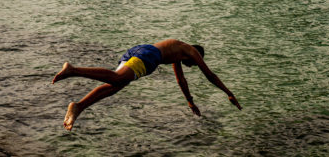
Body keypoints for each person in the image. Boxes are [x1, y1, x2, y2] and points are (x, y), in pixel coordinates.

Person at [52, 38, 242, 131]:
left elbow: (180, 80)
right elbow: (210, 74)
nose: (192, 65)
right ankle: (73, 70)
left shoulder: (177, 50)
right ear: (197, 54)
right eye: (194, 62)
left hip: (140, 50)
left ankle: (79, 106)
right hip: (150, 57)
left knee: (116, 85)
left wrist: (190, 102)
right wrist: (228, 92)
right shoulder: (192, 51)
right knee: (117, 79)